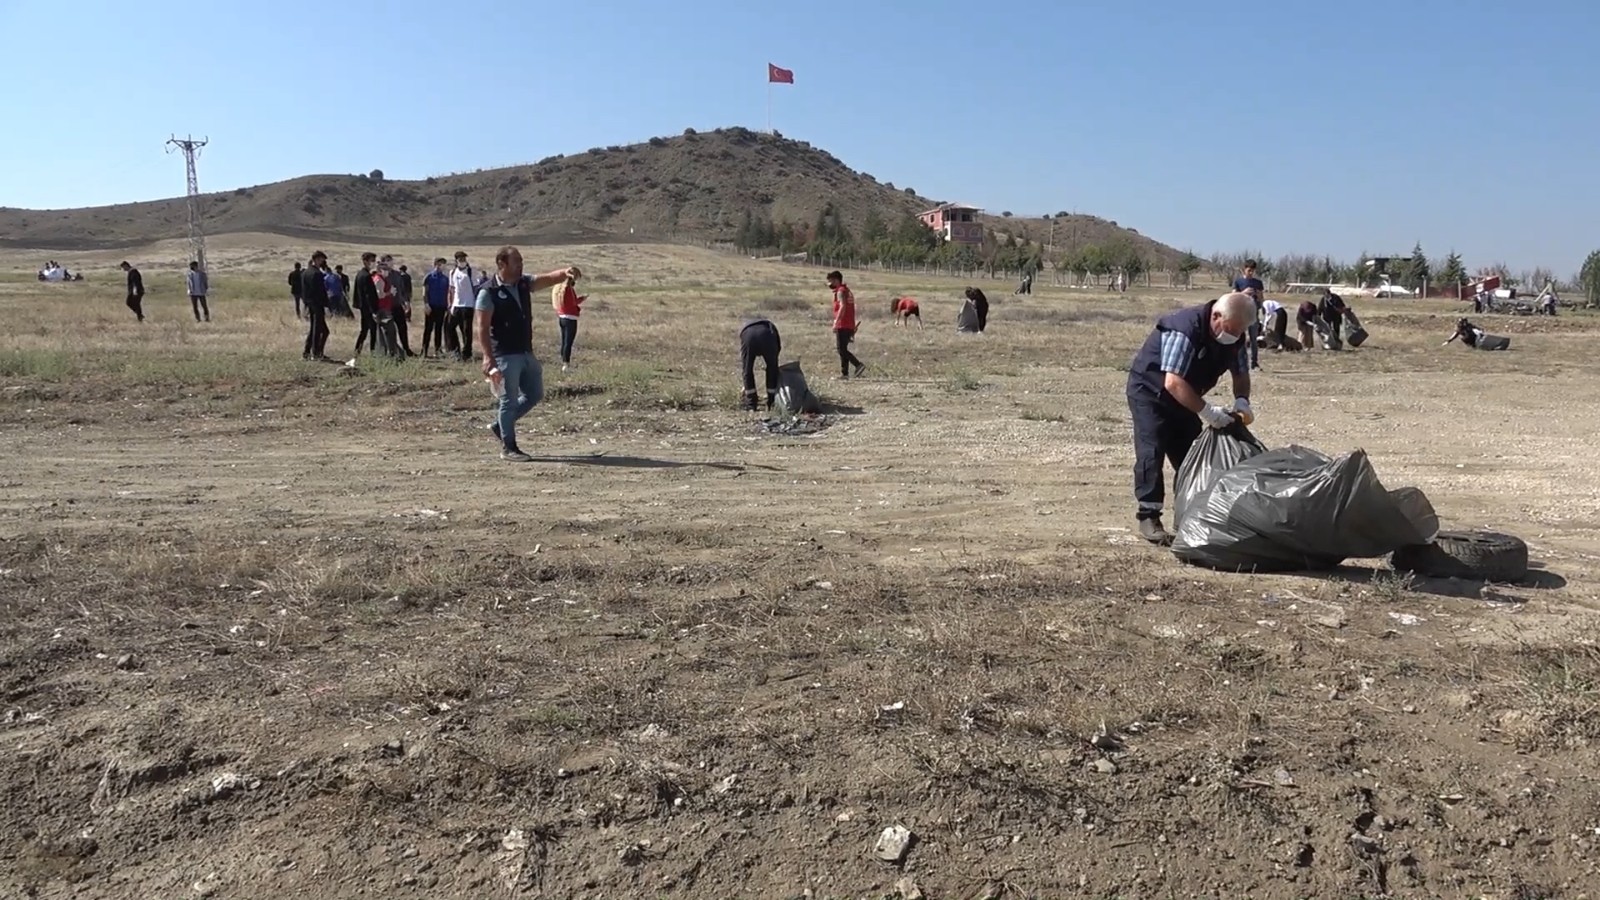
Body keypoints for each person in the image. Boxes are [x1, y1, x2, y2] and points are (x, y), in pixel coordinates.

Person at [1125, 292, 1254, 545]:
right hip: (1151, 392)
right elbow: (1172, 382)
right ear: (1216, 316)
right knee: (1152, 449)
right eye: (1230, 330)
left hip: (1188, 395)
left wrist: (1242, 400)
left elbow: (1240, 373)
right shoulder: (1184, 329)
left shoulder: (1235, 336)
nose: (1233, 337)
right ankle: (1149, 515)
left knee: (1192, 456)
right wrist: (1207, 412)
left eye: (1239, 332)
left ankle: (1194, 513)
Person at [474, 246, 581, 462]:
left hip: (525, 351)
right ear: (502, 264)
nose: (521, 266)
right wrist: (488, 358)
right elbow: (482, 328)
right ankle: (509, 447)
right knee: (508, 401)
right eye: (517, 262)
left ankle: (500, 426)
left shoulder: (523, 283)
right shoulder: (489, 292)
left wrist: (565, 272)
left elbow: (548, 278)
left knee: (535, 394)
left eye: (521, 261)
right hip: (504, 355)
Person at [826, 270, 865, 378]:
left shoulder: (841, 292)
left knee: (841, 349)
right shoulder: (847, 290)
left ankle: (858, 365)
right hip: (849, 324)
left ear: (836, 280)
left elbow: (842, 307)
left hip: (843, 324)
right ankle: (845, 373)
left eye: (831, 282)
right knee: (843, 349)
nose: (830, 285)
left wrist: (836, 321)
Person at [739, 317, 782, 412]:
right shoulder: (771, 329)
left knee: (747, 370)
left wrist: (746, 385)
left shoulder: (746, 327)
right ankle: (772, 401)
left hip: (748, 336)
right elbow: (778, 348)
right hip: (767, 336)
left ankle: (751, 404)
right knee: (772, 369)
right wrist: (773, 363)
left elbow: (746, 371)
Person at [1232, 259, 1266, 369]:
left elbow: (1261, 298)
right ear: (1244, 269)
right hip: (1241, 314)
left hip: (1253, 313)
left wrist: (1259, 297)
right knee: (1240, 338)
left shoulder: (1258, 283)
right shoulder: (1238, 282)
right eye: (1249, 270)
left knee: (1253, 339)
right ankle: (1240, 361)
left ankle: (1254, 362)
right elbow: (1233, 297)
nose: (1251, 273)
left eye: (1253, 271)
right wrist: (1243, 293)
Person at [551, 269, 586, 371]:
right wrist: (581, 299)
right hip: (571, 318)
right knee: (568, 342)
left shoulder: (559, 289)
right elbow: (573, 303)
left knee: (564, 340)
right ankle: (566, 364)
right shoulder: (569, 289)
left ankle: (563, 361)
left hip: (562, 317)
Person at [447, 251, 479, 362]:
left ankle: (467, 353)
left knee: (466, 330)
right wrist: (450, 304)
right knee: (449, 327)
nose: (462, 261)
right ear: (456, 260)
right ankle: (455, 351)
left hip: (468, 304)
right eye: (460, 259)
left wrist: (476, 303)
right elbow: (451, 289)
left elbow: (476, 288)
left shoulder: (471, 271)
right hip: (456, 305)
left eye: (464, 259)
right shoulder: (452, 272)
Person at [372, 255, 405, 359]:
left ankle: (392, 353)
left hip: (386, 307)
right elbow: (379, 295)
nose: (386, 271)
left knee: (388, 332)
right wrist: (389, 293)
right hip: (382, 309)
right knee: (389, 332)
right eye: (384, 269)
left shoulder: (384, 278)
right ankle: (392, 354)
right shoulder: (379, 279)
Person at [301, 251, 331, 360]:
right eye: (322, 259)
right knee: (321, 330)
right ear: (317, 259)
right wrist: (326, 305)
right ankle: (317, 353)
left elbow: (303, 291)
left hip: (310, 304)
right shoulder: (317, 274)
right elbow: (321, 291)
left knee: (314, 328)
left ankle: (307, 352)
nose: (323, 261)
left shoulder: (305, 272)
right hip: (318, 304)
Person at [352, 252, 380, 356]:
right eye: (371, 261)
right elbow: (369, 295)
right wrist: (373, 311)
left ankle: (357, 351)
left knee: (364, 330)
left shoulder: (360, 274)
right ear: (365, 261)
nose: (373, 263)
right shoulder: (366, 276)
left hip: (363, 307)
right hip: (368, 309)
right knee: (372, 331)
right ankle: (372, 352)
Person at [421, 258, 450, 357]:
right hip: (431, 306)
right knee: (428, 329)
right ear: (436, 264)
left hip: (441, 307)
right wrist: (426, 304)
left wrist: (447, 306)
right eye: (442, 264)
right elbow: (425, 292)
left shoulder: (445, 279)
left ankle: (437, 350)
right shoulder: (429, 277)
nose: (443, 266)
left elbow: (447, 293)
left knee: (438, 329)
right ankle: (424, 350)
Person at [393, 263, 415, 356]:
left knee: (406, 306)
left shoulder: (399, 276)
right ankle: (408, 317)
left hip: (402, 294)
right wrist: (409, 293)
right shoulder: (407, 276)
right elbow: (409, 286)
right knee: (408, 305)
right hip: (405, 293)